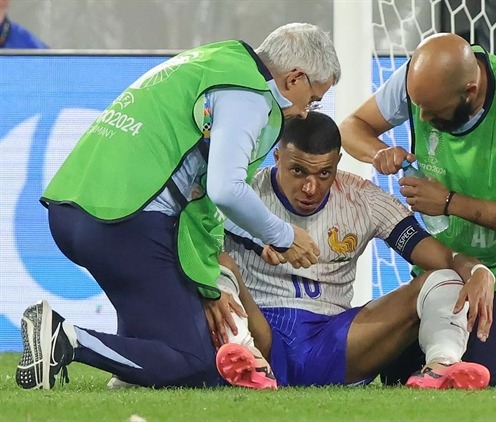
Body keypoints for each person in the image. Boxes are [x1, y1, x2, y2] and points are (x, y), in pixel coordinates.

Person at [15, 22, 340, 390]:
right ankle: (62, 337)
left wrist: (251, 238)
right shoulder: (250, 95)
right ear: (294, 78)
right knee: (198, 364)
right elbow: (224, 189)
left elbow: (195, 191)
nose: (306, 111)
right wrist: (281, 235)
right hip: (124, 221)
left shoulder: (219, 59)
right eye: (313, 98)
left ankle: (133, 375)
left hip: (74, 210)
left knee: (159, 347)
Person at [221, 112, 496, 389]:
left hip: (336, 338)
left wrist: (474, 269)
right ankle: (245, 358)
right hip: (260, 326)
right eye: (298, 171)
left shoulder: (362, 199)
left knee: (442, 277)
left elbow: (435, 253)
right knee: (216, 266)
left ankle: (443, 365)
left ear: (338, 162)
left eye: (324, 173)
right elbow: (195, 236)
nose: (310, 187)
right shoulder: (243, 195)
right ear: (277, 156)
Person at [339, 33, 496, 387]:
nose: (423, 118)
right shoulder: (420, 80)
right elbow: (352, 127)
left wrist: (448, 203)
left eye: (435, 111)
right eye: (418, 108)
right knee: (396, 373)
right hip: (449, 258)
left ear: (470, 92)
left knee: (483, 374)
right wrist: (378, 152)